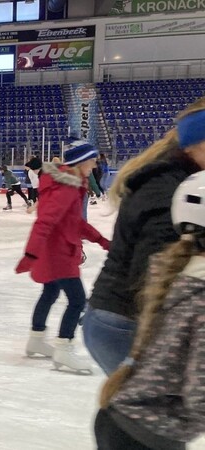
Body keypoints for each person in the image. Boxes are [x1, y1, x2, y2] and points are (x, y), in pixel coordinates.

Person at [84, 99, 205, 375]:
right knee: (148, 411)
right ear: (196, 142)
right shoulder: (167, 186)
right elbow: (153, 270)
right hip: (123, 322)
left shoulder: (187, 182)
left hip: (121, 316)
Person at [95, 171, 205, 450]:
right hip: (148, 435)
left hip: (124, 422)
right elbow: (200, 393)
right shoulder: (200, 299)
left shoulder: (178, 275)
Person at [16, 141, 110, 374]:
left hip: (55, 248)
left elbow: (74, 222)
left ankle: (36, 339)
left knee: (50, 291)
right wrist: (30, 253)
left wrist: (102, 240)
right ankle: (64, 349)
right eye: (92, 160)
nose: (94, 165)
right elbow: (45, 221)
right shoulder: (67, 187)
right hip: (58, 252)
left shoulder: (67, 183)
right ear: (81, 162)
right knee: (77, 300)